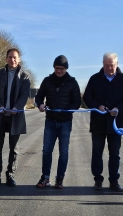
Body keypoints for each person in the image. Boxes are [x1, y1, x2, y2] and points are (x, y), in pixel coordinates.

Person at [83, 52, 123, 191]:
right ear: (102, 64)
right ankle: (98, 180)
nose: (109, 68)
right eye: (106, 65)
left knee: (115, 153)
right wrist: (97, 106)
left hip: (116, 123)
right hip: (98, 122)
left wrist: (119, 108)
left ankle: (114, 181)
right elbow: (87, 97)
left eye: (112, 65)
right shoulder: (94, 79)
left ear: (117, 64)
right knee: (97, 152)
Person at [35, 55, 81, 189]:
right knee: (46, 151)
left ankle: (59, 178)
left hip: (65, 122)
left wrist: (68, 110)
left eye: (61, 68)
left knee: (64, 152)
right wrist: (40, 105)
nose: (58, 71)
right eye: (56, 68)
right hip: (50, 121)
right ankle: (45, 177)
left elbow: (77, 101)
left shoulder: (72, 82)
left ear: (66, 69)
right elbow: (39, 97)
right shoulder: (47, 81)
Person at [0, 48, 31, 187]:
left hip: (15, 117)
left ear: (19, 59)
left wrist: (17, 107)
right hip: (0, 116)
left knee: (14, 149)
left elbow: (24, 95)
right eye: (10, 57)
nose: (12, 60)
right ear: (6, 58)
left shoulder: (25, 76)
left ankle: (10, 175)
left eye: (15, 57)